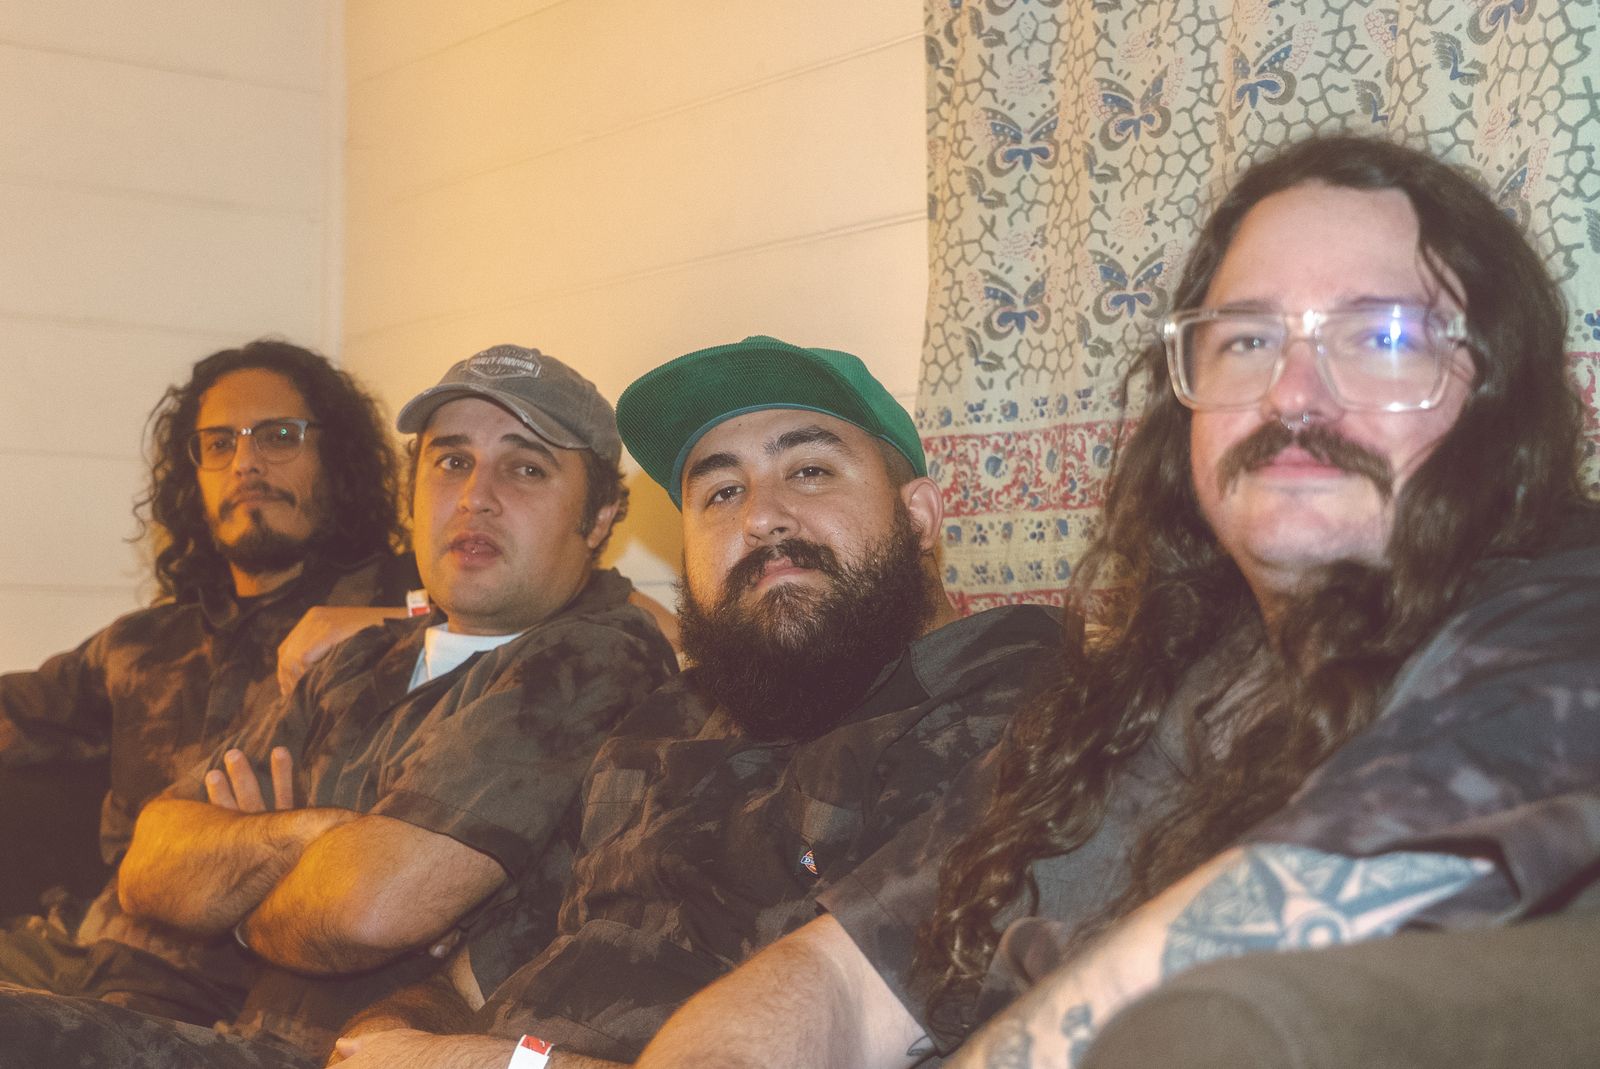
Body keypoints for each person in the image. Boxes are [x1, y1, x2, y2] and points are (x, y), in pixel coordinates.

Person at [630, 134, 1600, 1069]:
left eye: (1382, 335)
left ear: (1497, 393)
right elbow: (845, 981)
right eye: (1247, 338)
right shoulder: (1156, 690)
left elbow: (1260, 945)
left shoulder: (1568, 619)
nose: (1293, 393)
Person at [326, 335, 1062, 1069]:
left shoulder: (1013, 699)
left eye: (809, 472)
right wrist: (382, 1038)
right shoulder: (662, 724)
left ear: (920, 516)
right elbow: (466, 983)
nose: (760, 517)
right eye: (722, 492)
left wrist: (479, 1065)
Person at [0, 344, 679, 1066]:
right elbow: (147, 863)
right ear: (413, 492)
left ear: (599, 517)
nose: (476, 495)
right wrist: (319, 832)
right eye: (452, 461)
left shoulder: (591, 655)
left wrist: (239, 893)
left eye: (526, 468)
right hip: (222, 1031)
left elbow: (367, 909)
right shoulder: (360, 656)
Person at [0, 340, 414, 983]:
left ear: (337, 460)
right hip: (76, 951)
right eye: (220, 444)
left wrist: (389, 623)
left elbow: (568, 626)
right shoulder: (144, 642)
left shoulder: (410, 599)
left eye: (278, 436)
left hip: (234, 986)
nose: (246, 462)